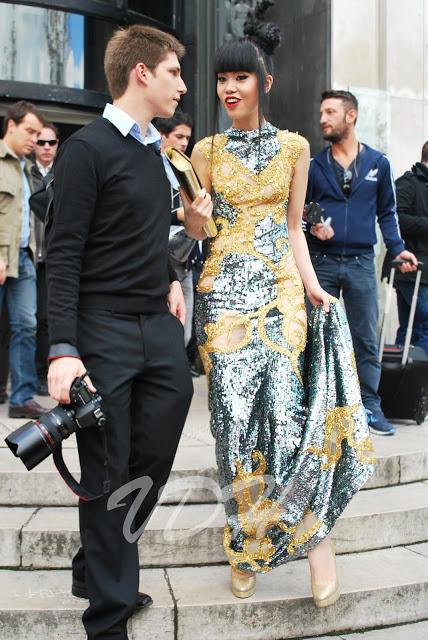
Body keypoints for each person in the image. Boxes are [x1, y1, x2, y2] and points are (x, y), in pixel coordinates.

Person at [190, 5, 374, 609]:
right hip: (223, 297)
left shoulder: (296, 147)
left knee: (291, 417)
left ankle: (314, 541)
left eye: (239, 78)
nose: (228, 88)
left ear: (263, 84)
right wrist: (188, 212)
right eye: (221, 79)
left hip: (281, 296)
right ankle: (245, 542)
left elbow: (294, 229)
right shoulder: (206, 151)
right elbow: (199, 231)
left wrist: (313, 286)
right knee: (235, 422)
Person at [46, 25, 211, 640]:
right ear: (142, 73)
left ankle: (96, 563)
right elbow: (63, 256)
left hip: (158, 328)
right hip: (102, 330)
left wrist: (176, 264)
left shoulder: (157, 154)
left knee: (152, 461)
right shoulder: (86, 150)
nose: (183, 85)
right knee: (108, 470)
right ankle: (109, 615)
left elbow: (143, 238)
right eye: (174, 72)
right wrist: (63, 350)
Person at [306, 90, 417, 436]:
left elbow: (387, 213)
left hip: (360, 263)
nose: (323, 118)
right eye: (321, 112)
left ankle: (369, 405)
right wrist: (314, 225)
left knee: (365, 338)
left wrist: (398, 250)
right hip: (321, 262)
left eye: (330, 112)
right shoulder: (314, 165)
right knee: (317, 337)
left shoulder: (378, 164)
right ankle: (318, 408)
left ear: (350, 115)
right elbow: (301, 211)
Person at [0, 100, 49, 419]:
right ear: (11, 126)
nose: (35, 139)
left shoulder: (28, 168)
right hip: (2, 256)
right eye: (30, 131)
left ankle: (21, 398)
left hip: (24, 258)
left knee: (27, 325)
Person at [382, 141, 428, 353]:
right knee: (422, 327)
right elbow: (394, 218)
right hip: (411, 272)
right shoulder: (408, 183)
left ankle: (402, 382)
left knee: (413, 329)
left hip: (420, 273)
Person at [156, 111, 196, 347]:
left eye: (187, 138)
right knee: (169, 333)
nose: (183, 143)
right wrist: (178, 215)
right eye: (178, 136)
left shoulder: (184, 168)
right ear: (162, 136)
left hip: (186, 257)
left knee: (184, 333)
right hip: (163, 256)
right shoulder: (152, 165)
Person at [31, 122, 59, 395]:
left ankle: (44, 374)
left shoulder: (60, 173)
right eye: (42, 142)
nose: (47, 147)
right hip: (29, 257)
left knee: (48, 319)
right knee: (30, 321)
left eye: (52, 142)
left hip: (52, 259)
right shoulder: (26, 172)